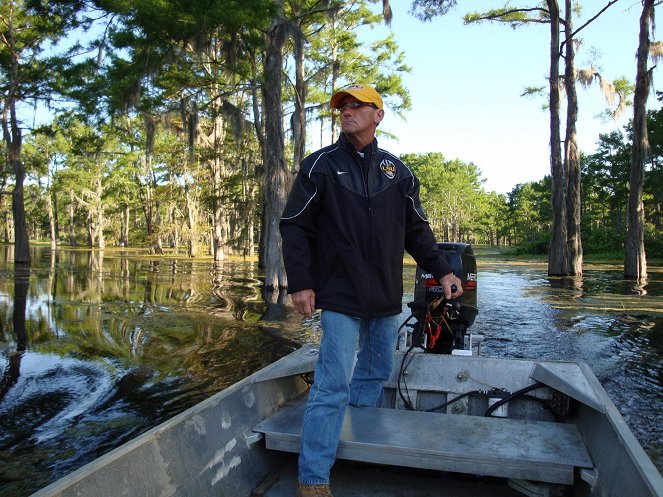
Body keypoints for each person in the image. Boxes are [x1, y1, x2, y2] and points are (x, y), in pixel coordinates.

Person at [280, 83, 463, 497]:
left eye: (356, 105)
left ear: (378, 115)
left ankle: (357, 442)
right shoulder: (319, 167)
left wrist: (442, 271)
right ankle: (313, 478)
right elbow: (295, 227)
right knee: (333, 383)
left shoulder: (398, 173)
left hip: (384, 296)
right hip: (339, 294)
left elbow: (417, 231)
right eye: (342, 106)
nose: (346, 111)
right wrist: (302, 283)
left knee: (376, 372)